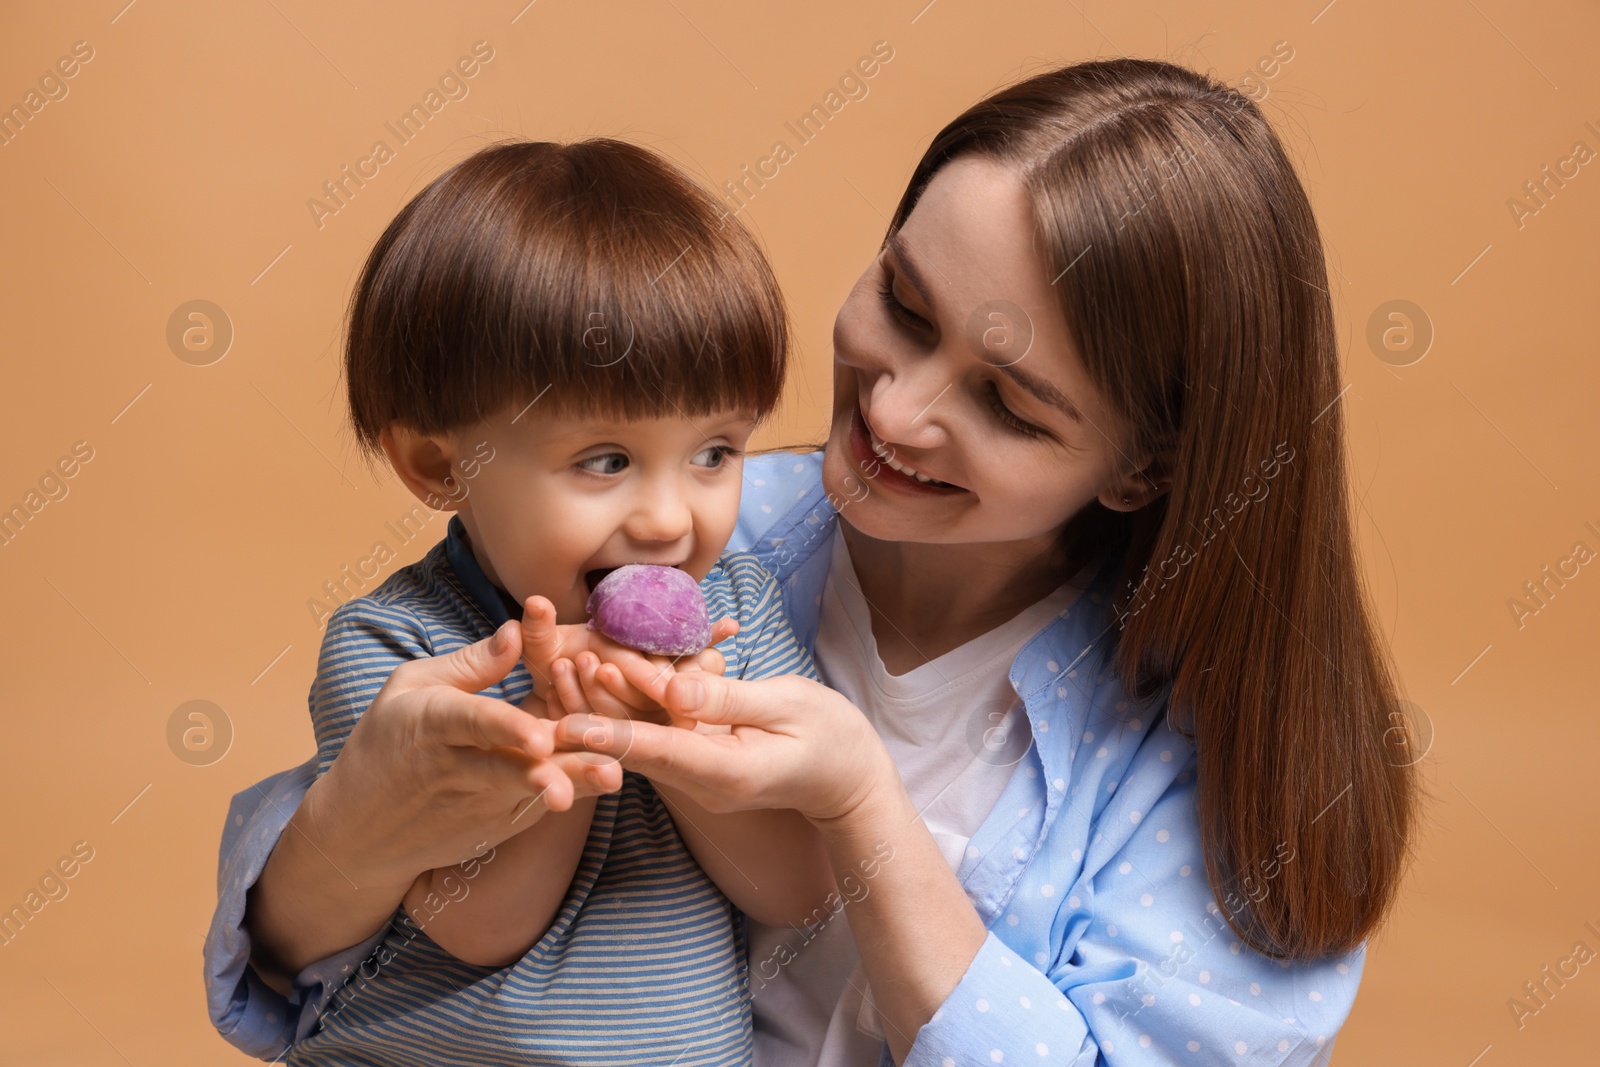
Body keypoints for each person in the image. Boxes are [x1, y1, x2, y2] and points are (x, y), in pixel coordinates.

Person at [206, 58, 1418, 1065]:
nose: (893, 413)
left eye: (1007, 403)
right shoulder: (705, 535)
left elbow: (792, 879)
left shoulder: (1220, 747)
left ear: (1139, 469)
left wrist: (857, 801)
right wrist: (362, 828)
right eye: (901, 300)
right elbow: (306, 945)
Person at [217, 136, 840, 1066]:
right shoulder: (401, 653)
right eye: (606, 461)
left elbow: (794, 890)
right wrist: (573, 722)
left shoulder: (738, 616)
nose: (671, 518)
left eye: (715, 452)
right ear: (441, 465)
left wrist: (677, 738)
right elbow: (483, 925)